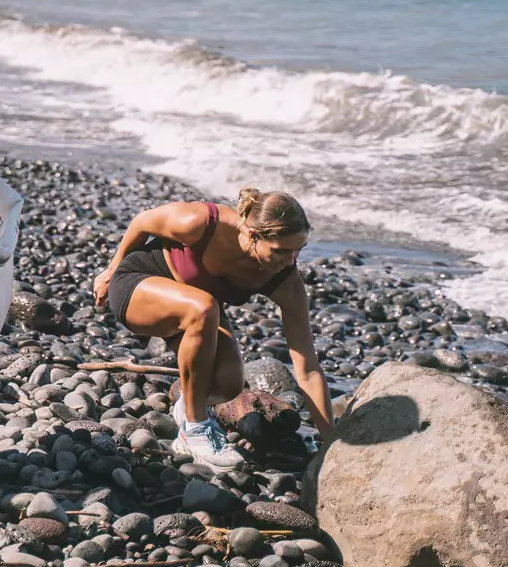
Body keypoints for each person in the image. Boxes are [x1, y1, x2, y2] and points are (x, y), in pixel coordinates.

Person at [93, 189, 330, 470]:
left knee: (228, 383)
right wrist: (111, 270)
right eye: (281, 251)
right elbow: (143, 221)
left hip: (195, 314)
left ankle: (187, 407)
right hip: (139, 285)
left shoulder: (286, 282)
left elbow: (308, 368)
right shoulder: (200, 222)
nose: (291, 261)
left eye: (298, 250)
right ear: (253, 235)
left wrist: (331, 443)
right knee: (204, 306)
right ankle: (195, 429)